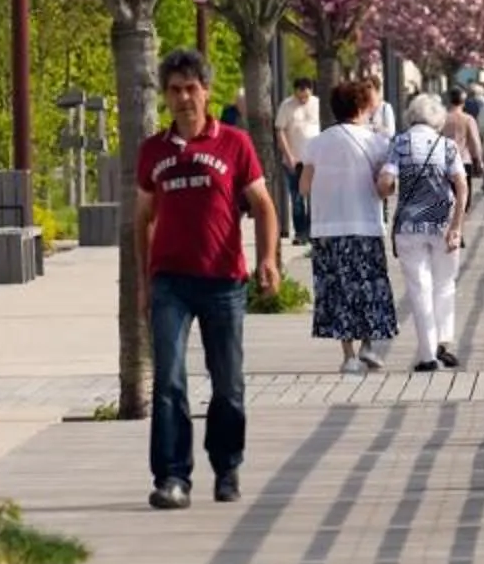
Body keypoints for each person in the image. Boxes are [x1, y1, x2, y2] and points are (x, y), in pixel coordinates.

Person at [136, 48, 283, 510]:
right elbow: (142, 218)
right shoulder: (154, 151)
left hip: (223, 281)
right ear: (165, 96)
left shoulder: (234, 143)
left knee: (228, 385)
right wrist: (144, 281)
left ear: (206, 92)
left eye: (191, 89)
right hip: (170, 283)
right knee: (168, 380)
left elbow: (263, 206)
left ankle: (226, 466)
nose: (183, 98)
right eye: (174, 90)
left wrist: (268, 259)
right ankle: (172, 477)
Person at [299, 78, 398, 372]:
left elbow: (304, 186)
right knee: (368, 286)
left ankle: (348, 355)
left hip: (327, 228)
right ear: (362, 107)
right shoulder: (376, 142)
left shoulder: (317, 143)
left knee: (337, 290)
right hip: (365, 224)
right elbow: (384, 186)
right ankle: (368, 345)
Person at [390, 94, 468, 371]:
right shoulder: (447, 146)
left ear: (411, 116)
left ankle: (427, 355)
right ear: (438, 120)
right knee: (445, 284)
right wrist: (457, 226)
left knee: (419, 288)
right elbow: (461, 187)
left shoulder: (399, 143)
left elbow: (387, 178)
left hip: (409, 226)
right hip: (443, 224)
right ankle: (442, 343)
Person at [276, 76, 321, 245]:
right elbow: (280, 131)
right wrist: (289, 156)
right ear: (295, 92)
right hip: (294, 159)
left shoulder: (317, 104)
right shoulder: (286, 106)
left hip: (314, 160)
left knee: (314, 197)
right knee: (297, 198)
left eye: (306, 96)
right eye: (300, 96)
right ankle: (300, 232)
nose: (303, 99)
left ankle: (312, 231)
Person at [440, 84, 484, 197]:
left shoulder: (442, 118)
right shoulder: (468, 119)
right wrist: (479, 161)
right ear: (463, 102)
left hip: (444, 160)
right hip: (463, 160)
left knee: (447, 196)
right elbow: (474, 142)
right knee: (463, 196)